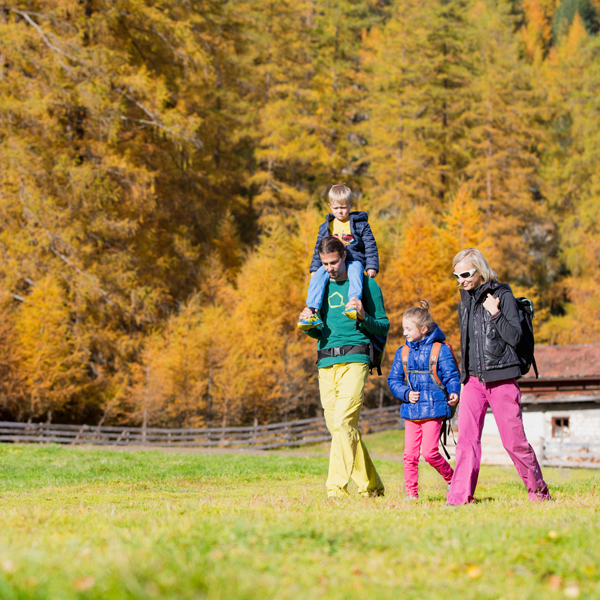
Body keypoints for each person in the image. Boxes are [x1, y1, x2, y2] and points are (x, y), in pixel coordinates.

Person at [446, 248, 550, 505]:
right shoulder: (465, 301)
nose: (461, 280)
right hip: (472, 381)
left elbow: (515, 337)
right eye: (457, 276)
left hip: (502, 379)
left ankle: (538, 492)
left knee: (514, 442)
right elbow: (467, 343)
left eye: (466, 274)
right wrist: (463, 376)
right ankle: (459, 498)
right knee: (466, 442)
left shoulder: (503, 295)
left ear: (480, 270)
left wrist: (496, 312)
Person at [299, 236, 387, 498]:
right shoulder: (320, 287)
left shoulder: (367, 287)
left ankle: (336, 488)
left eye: (334, 261)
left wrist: (363, 316)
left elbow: (383, 325)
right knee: (339, 428)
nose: (330, 268)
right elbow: (320, 333)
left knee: (344, 422)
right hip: (325, 361)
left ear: (345, 256)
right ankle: (372, 486)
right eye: (325, 263)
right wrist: (307, 324)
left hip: (356, 358)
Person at [388, 301, 460, 500]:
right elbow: (393, 380)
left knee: (429, 453)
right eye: (404, 328)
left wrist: (454, 391)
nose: (404, 333)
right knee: (409, 456)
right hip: (412, 411)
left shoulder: (440, 350)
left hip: (434, 411)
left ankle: (453, 480)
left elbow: (452, 376)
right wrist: (405, 393)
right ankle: (412, 494)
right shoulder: (402, 352)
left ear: (423, 329)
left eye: (408, 329)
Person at [298, 184, 379, 330]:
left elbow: (370, 245)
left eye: (343, 207)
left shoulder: (360, 225)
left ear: (351, 205)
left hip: (354, 260)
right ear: (330, 206)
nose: (340, 211)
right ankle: (312, 310)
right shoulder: (327, 227)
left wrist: (371, 265)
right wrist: (315, 268)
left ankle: (353, 303)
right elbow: (320, 248)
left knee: (355, 274)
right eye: (336, 208)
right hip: (333, 262)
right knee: (317, 278)